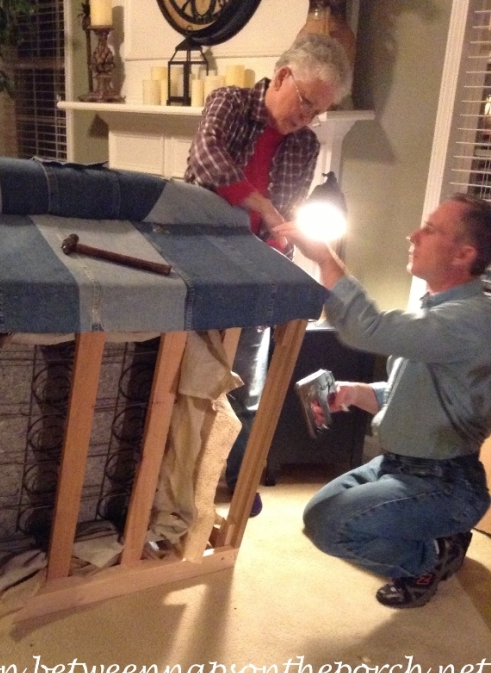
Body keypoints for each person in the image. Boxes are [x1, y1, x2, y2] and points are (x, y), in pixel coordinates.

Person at [275, 193, 491, 608]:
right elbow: (417, 394)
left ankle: (428, 560)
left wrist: (326, 259)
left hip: (444, 481)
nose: (414, 235)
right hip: (397, 466)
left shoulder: (471, 320)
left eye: (431, 229)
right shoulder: (439, 314)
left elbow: (367, 330)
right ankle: (443, 534)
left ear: (465, 253)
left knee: (330, 525)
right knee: (320, 511)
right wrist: (357, 394)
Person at [184, 33, 353, 515]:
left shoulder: (305, 144)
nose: (306, 117)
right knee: (188, 375)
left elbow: (290, 208)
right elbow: (206, 160)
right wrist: (258, 202)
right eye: (305, 102)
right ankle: (178, 478)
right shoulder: (230, 104)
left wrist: (281, 243)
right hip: (202, 257)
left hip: (257, 266)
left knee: (245, 383)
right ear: (282, 77)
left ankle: (239, 478)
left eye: (316, 111)